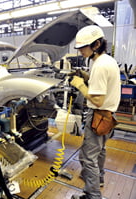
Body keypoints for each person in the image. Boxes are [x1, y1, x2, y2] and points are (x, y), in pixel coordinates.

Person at [70, 25, 121, 199]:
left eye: (83, 47)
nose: (81, 51)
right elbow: (102, 85)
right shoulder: (108, 60)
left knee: (87, 158)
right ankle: (98, 179)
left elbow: (97, 100)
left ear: (96, 44)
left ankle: (92, 195)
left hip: (98, 116)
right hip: (109, 116)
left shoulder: (99, 66)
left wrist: (80, 85)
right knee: (100, 150)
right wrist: (86, 76)